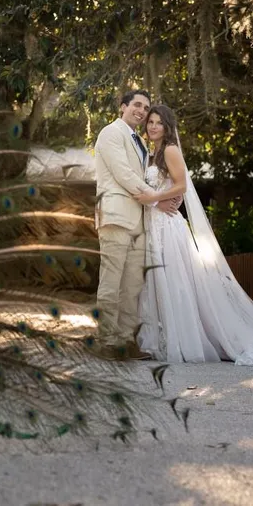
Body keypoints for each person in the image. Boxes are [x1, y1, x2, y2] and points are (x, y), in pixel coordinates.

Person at [134, 104, 253, 370]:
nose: (153, 126)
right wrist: (155, 202)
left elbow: (181, 185)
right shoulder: (152, 152)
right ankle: (165, 338)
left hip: (168, 227)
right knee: (159, 282)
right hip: (155, 223)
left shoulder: (169, 149)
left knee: (176, 282)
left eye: (159, 122)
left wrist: (153, 198)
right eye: (151, 122)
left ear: (167, 126)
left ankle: (187, 341)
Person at [93, 90, 180, 360]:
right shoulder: (111, 133)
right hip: (116, 218)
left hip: (140, 223)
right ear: (123, 107)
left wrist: (156, 200)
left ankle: (126, 342)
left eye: (145, 107)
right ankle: (107, 342)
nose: (142, 111)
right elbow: (124, 174)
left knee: (132, 287)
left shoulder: (141, 143)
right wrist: (156, 201)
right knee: (111, 282)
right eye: (137, 105)